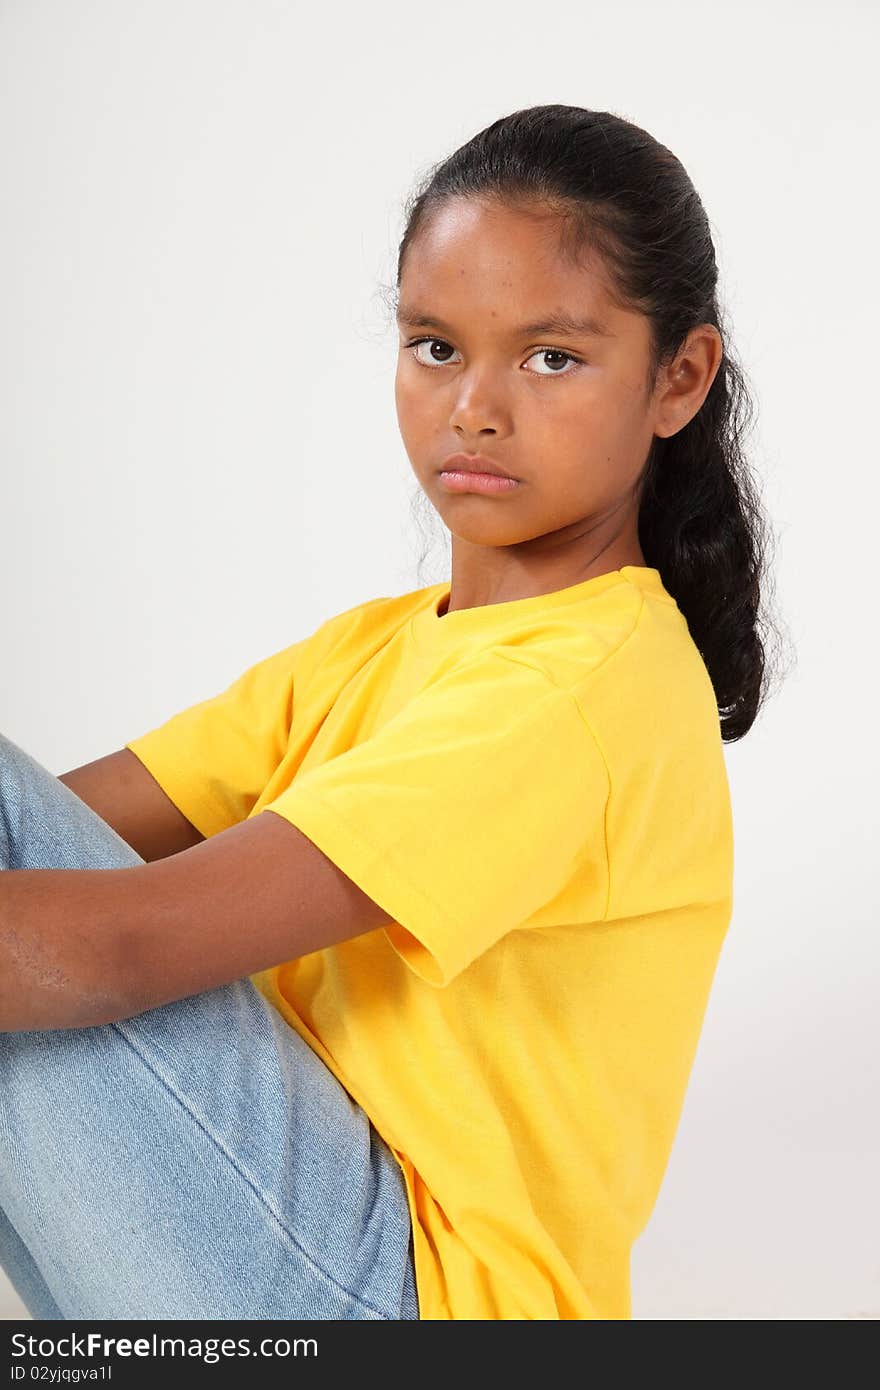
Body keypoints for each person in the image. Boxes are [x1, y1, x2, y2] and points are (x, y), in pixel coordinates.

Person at [0, 103, 783, 1321]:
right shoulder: (371, 650)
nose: (473, 406)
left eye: (551, 358)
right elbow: (51, 839)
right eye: (433, 346)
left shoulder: (578, 685)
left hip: (404, 1300)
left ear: (677, 378)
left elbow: (118, 944)